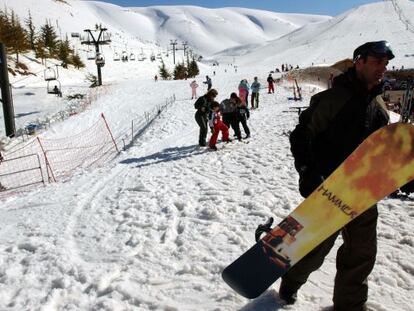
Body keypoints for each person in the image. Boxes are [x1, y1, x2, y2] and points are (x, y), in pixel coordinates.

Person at [284, 40, 394, 311]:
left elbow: (380, 152)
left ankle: (350, 305)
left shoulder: (379, 108)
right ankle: (290, 282)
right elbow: (301, 135)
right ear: (359, 61)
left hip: (361, 190)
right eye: (377, 61)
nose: (383, 68)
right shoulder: (333, 99)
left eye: (386, 63)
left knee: (361, 253)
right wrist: (307, 170)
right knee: (315, 250)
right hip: (328, 187)